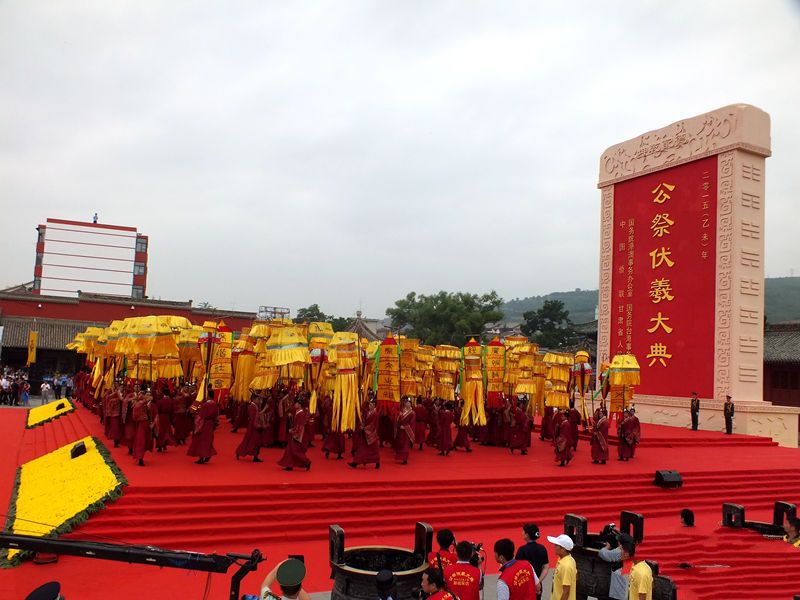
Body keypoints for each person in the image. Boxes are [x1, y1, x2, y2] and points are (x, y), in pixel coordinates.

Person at [515, 523, 549, 598]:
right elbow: (546, 567)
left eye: (523, 531)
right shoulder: (542, 548)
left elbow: (516, 568)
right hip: (538, 586)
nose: (522, 533)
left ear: (527, 535)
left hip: (525, 586)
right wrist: (538, 581)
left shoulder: (522, 550)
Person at [278, 399, 312, 471]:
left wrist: (294, 432)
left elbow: (300, 426)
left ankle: (307, 462)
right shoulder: (298, 412)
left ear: (299, 405)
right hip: (295, 433)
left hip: (298, 435)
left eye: (296, 403)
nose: (295, 405)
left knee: (295, 450)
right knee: (290, 450)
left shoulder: (301, 413)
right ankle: (289, 465)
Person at [187, 388, 220, 464]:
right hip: (210, 424)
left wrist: (197, 426)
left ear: (208, 395)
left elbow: (200, 417)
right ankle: (207, 454)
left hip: (204, 424)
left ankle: (201, 457)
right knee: (208, 440)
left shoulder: (205, 405)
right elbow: (216, 416)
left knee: (201, 440)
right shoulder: (215, 404)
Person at [598, 532, 631, 600]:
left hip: (621, 583)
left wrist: (607, 546)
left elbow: (602, 553)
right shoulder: (631, 547)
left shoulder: (620, 552)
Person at [350, 399, 381, 469]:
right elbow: (363, 419)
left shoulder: (375, 414)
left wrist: (364, 428)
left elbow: (373, 425)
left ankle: (377, 461)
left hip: (371, 435)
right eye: (369, 404)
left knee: (374, 449)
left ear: (374, 406)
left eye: (371, 405)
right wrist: (362, 426)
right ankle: (355, 462)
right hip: (365, 434)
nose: (370, 406)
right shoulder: (367, 413)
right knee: (362, 449)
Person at [548, 533, 576, 600]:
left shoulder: (566, 566)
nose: (554, 547)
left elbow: (566, 592)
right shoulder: (567, 559)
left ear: (563, 549)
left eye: (556, 545)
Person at [237, 393, 264, 462]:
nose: (259, 400)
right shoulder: (251, 406)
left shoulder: (255, 406)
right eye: (258, 399)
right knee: (250, 441)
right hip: (253, 427)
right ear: (254, 399)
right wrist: (258, 424)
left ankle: (255, 456)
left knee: (255, 442)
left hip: (254, 426)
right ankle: (240, 452)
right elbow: (253, 418)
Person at [394, 398, 415, 465]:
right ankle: (400, 457)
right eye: (407, 403)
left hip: (406, 432)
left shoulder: (412, 413)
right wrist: (399, 416)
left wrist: (405, 427)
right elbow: (398, 420)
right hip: (401, 431)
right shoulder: (402, 411)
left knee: (405, 445)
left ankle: (405, 459)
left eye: (409, 403)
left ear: (411, 405)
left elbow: (412, 423)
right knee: (400, 444)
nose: (407, 404)